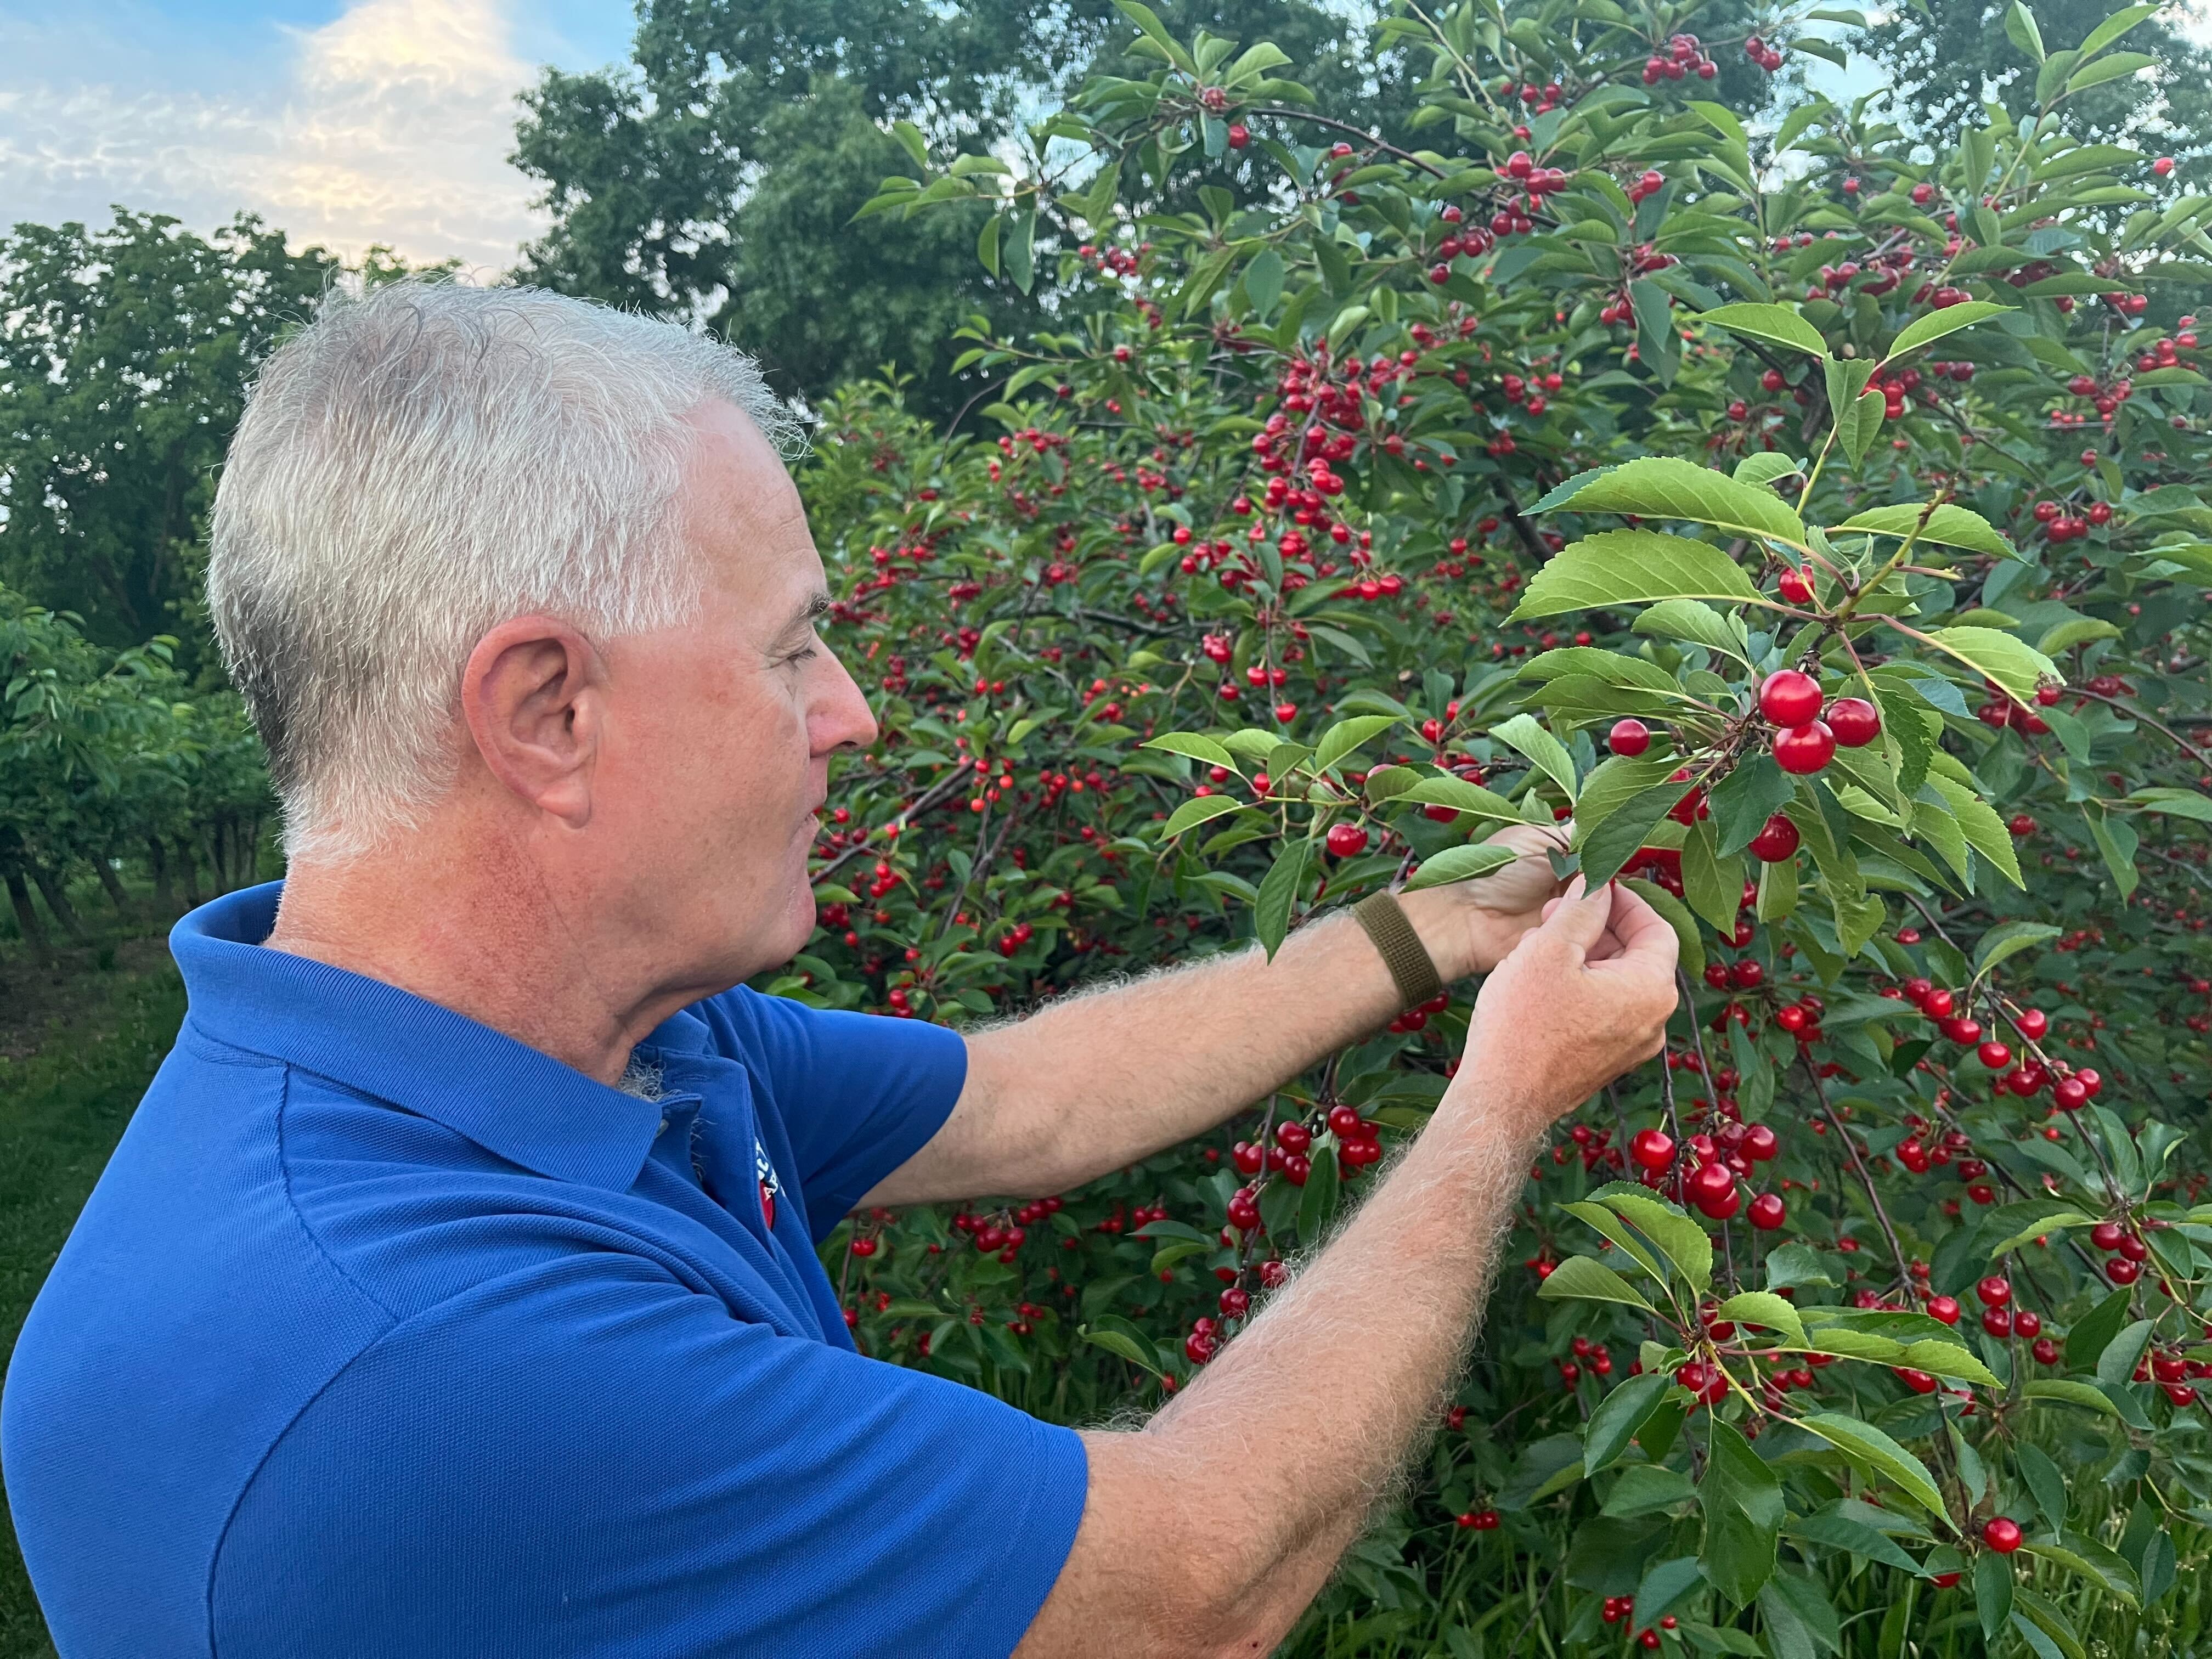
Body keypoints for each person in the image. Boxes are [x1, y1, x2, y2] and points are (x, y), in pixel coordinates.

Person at [0, 280, 1678, 1658]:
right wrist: (1504, 1098)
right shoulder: (426, 1347)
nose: (852, 709)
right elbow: (1194, 1590)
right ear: (547, 715)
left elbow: (1024, 1100)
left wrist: (1431, 932)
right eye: (792, 644)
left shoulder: (611, 1039)